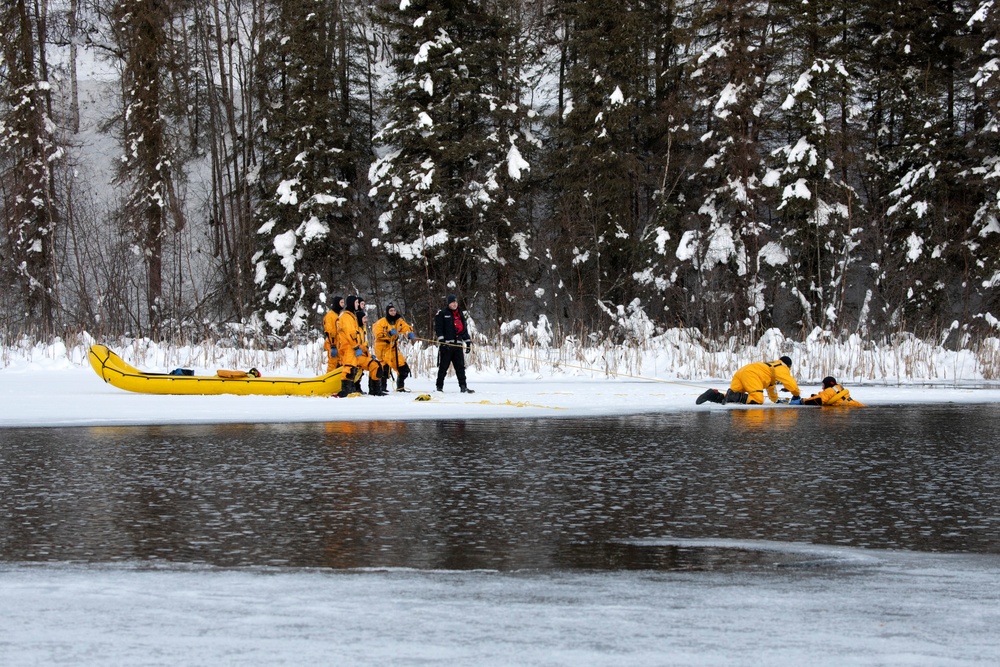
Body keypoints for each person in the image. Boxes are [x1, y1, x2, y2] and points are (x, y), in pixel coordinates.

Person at [696, 356, 800, 405]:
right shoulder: (782, 367)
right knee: (757, 400)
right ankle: (732, 395)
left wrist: (776, 400)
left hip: (742, 372)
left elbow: (771, 386)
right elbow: (791, 383)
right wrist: (796, 395)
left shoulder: (771, 366)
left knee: (731, 400)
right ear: (788, 366)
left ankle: (713, 395)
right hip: (751, 375)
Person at [336, 295, 385, 396]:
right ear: (352, 303)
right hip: (349, 349)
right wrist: (356, 347)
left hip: (356, 351)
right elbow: (351, 334)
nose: (358, 305)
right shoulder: (346, 317)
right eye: (357, 303)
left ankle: (375, 391)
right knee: (349, 369)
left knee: (375, 365)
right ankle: (346, 391)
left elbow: (360, 341)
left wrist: (367, 353)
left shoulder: (352, 317)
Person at [434, 294, 474, 393]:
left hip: (458, 345)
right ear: (449, 304)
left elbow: (464, 329)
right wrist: (442, 341)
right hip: (447, 345)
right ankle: (439, 387)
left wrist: (468, 342)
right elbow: (438, 328)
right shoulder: (443, 313)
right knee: (443, 367)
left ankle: (463, 387)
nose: (455, 304)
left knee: (460, 367)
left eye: (456, 302)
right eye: (452, 302)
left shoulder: (460, 314)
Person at [373, 304, 417, 392]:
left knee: (404, 369)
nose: (393, 312)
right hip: (382, 348)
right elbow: (377, 333)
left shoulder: (398, 321)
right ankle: (382, 388)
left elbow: (405, 327)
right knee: (384, 369)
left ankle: (400, 387)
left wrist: (408, 333)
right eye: (391, 311)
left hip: (393, 348)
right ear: (387, 312)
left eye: (394, 310)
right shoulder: (381, 322)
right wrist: (388, 334)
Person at [322, 296, 345, 373]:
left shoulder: (339, 315)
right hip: (333, 344)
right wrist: (332, 345)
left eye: (343, 302)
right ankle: (328, 382)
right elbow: (330, 331)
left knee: (340, 363)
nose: (343, 304)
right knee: (333, 363)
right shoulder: (330, 316)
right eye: (341, 302)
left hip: (339, 344)